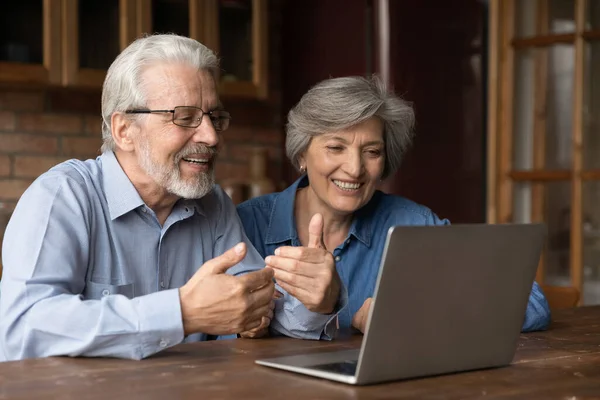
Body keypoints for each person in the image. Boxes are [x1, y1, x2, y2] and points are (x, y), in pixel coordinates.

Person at [0, 34, 343, 362]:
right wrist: (182, 312)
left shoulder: (213, 203)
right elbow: (22, 331)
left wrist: (315, 301)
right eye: (185, 117)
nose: (210, 137)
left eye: (215, 117)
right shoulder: (64, 196)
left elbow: (257, 308)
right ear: (124, 130)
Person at [237, 75, 551, 334]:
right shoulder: (247, 223)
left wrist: (410, 314)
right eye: (335, 147)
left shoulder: (412, 224)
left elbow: (532, 304)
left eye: (372, 152)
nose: (355, 168)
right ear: (302, 154)